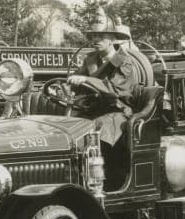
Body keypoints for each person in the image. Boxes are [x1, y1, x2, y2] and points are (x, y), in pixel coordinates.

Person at [64, 11, 149, 147]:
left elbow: (114, 90)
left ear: (112, 39)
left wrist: (86, 80)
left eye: (101, 36)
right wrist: (66, 87)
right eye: (93, 36)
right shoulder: (90, 59)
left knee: (97, 132)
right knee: (67, 129)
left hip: (117, 111)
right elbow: (77, 82)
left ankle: (101, 165)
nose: (96, 40)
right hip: (92, 109)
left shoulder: (124, 62)